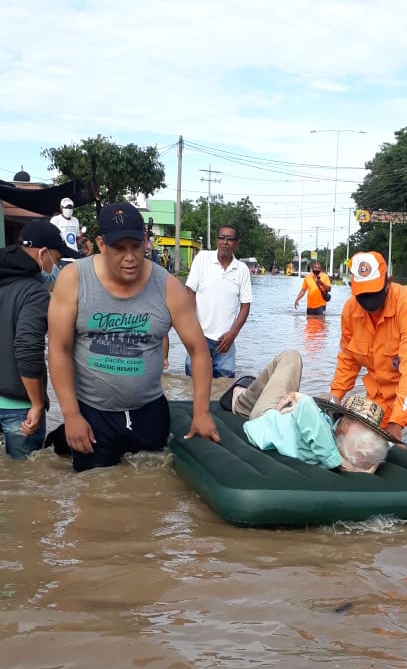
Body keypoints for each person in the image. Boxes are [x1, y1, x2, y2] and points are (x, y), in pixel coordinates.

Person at [47, 200, 220, 472]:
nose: (130, 257)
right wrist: (71, 415)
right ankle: (60, 438)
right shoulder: (74, 279)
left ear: (146, 243)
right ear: (101, 244)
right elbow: (58, 349)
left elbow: (198, 350)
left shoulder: (168, 287)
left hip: (148, 412)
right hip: (93, 413)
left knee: (151, 494)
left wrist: (201, 413)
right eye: (119, 248)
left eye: (136, 247)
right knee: (95, 495)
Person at [329, 251, 407, 462]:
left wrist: (397, 424)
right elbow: (348, 360)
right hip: (382, 398)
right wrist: (334, 400)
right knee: (368, 457)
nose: (368, 301)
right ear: (352, 288)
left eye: (373, 292)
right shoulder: (350, 311)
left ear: (388, 283)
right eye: (362, 294)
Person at [219, 350, 392, 474]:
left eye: (348, 420)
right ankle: (263, 392)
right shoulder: (348, 448)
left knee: (291, 357)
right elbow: (384, 445)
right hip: (293, 421)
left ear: (345, 427)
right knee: (332, 398)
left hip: (269, 417)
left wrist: (299, 397)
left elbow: (306, 407)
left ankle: (240, 398)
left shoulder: (328, 449)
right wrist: (371, 464)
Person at [0, 220, 78, 459]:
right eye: (56, 258)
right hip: (18, 408)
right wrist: (36, 403)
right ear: (43, 253)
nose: (57, 265)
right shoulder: (34, 293)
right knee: (26, 484)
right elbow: (27, 348)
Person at [184, 225, 252, 379]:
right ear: (216, 240)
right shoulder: (202, 259)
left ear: (237, 243)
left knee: (224, 386)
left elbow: (245, 306)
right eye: (222, 238)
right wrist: (191, 328)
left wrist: (233, 334)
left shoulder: (242, 270)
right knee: (192, 382)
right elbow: (189, 293)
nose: (225, 242)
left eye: (230, 239)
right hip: (199, 336)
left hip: (225, 342)